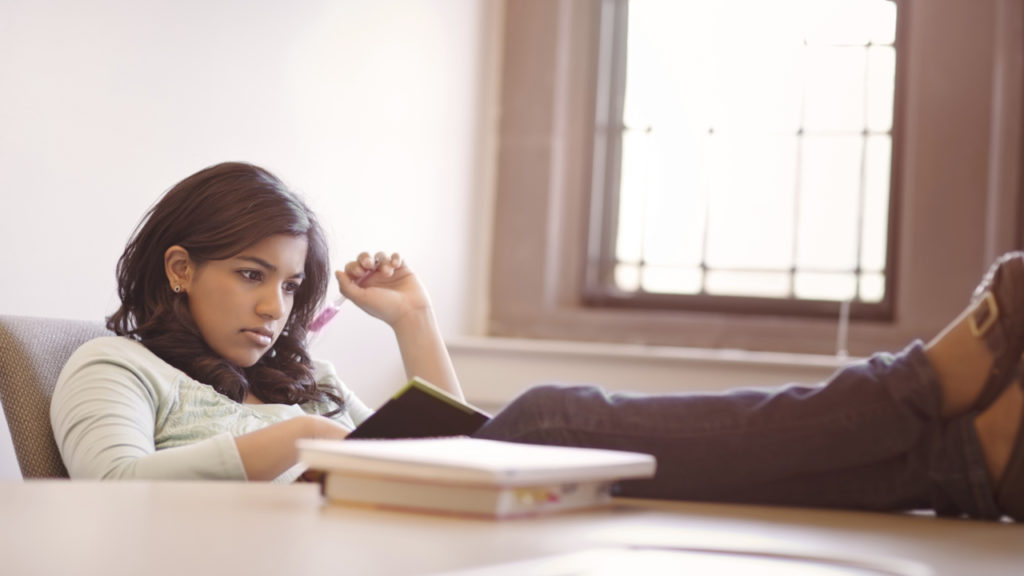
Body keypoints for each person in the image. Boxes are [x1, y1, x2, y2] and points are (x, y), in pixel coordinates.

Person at [51, 161, 1023, 523]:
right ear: (179, 268)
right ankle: (924, 397)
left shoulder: (294, 376)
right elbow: (102, 495)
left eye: (293, 284)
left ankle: (959, 465)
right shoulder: (113, 363)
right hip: (354, 536)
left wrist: (413, 324)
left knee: (565, 438)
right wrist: (282, 446)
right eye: (250, 275)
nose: (277, 305)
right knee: (554, 415)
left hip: (395, 529)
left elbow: (438, 433)